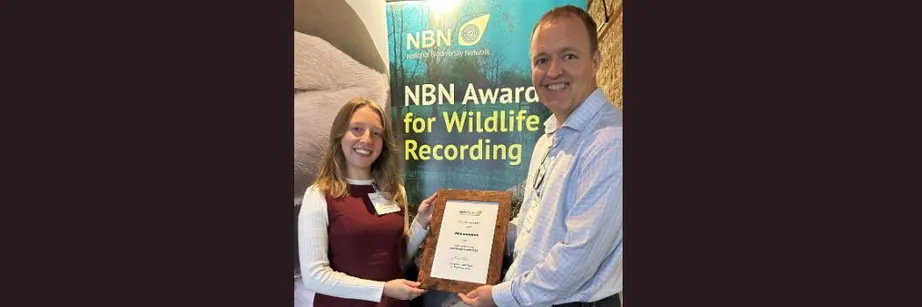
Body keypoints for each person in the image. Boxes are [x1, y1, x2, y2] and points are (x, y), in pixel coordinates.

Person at [458, 5, 622, 307]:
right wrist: (473, 230)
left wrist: (499, 297)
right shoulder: (547, 140)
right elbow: (532, 227)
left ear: (595, 61)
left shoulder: (611, 141)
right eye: (542, 60)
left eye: (568, 56)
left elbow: (578, 258)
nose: (553, 71)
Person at [295, 97, 439, 307]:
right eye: (357, 129)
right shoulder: (318, 194)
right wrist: (383, 289)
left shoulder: (395, 190)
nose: (367, 139)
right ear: (340, 135)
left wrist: (420, 222)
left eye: (376, 133)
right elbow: (315, 276)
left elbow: (398, 257)